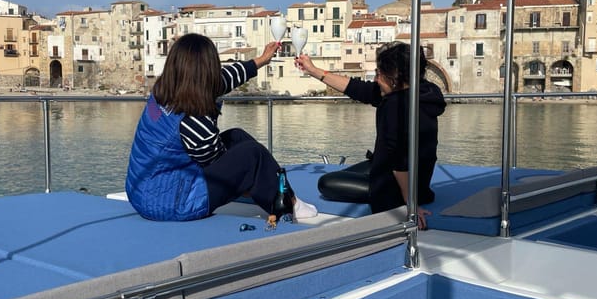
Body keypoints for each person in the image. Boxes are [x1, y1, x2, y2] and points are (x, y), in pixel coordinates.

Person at [126, 33, 312, 227]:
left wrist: (261, 61)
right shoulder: (193, 119)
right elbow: (212, 161)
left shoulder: (167, 90)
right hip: (172, 202)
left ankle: (275, 192)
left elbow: (225, 79)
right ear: (208, 70)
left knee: (236, 137)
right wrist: (245, 171)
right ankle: (288, 203)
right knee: (252, 155)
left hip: (146, 188)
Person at [294, 42, 446, 230]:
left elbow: (401, 160)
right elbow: (359, 89)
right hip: (418, 180)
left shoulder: (395, 106)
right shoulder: (423, 91)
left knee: (327, 182)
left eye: (379, 74)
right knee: (346, 174)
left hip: (397, 189)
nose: (375, 79)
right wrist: (314, 71)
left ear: (394, 78)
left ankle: (406, 196)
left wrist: (409, 204)